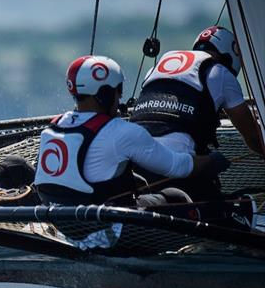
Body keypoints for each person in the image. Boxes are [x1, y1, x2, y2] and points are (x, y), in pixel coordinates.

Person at [34, 55, 230, 208]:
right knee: (176, 196)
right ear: (105, 94)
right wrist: (211, 161)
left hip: (63, 222)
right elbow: (176, 166)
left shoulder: (54, 126)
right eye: (118, 90)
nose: (119, 97)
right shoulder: (123, 132)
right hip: (110, 229)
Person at [129, 25, 264, 200]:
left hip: (135, 164)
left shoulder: (157, 68)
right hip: (178, 169)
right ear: (232, 56)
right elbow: (255, 138)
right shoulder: (221, 73)